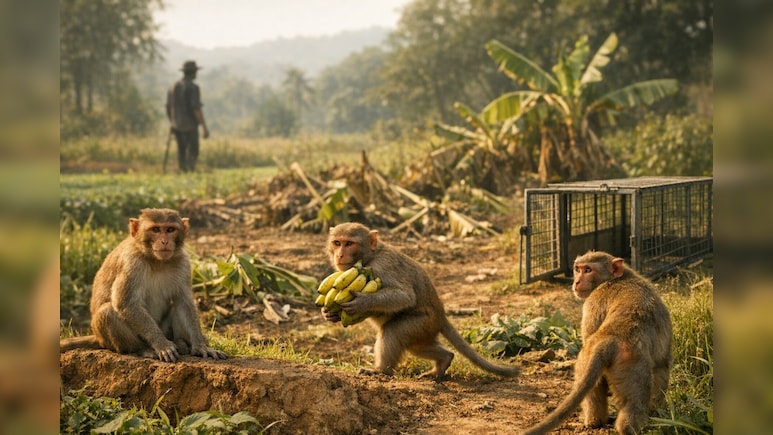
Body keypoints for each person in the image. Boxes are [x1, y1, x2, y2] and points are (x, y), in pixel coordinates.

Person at [166, 60, 209, 172]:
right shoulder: (193, 87)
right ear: (193, 72)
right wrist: (204, 127)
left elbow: (168, 108)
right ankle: (190, 171)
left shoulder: (173, 87)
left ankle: (182, 170)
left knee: (181, 151)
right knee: (193, 150)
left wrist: (172, 122)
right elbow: (196, 109)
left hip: (176, 124)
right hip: (190, 125)